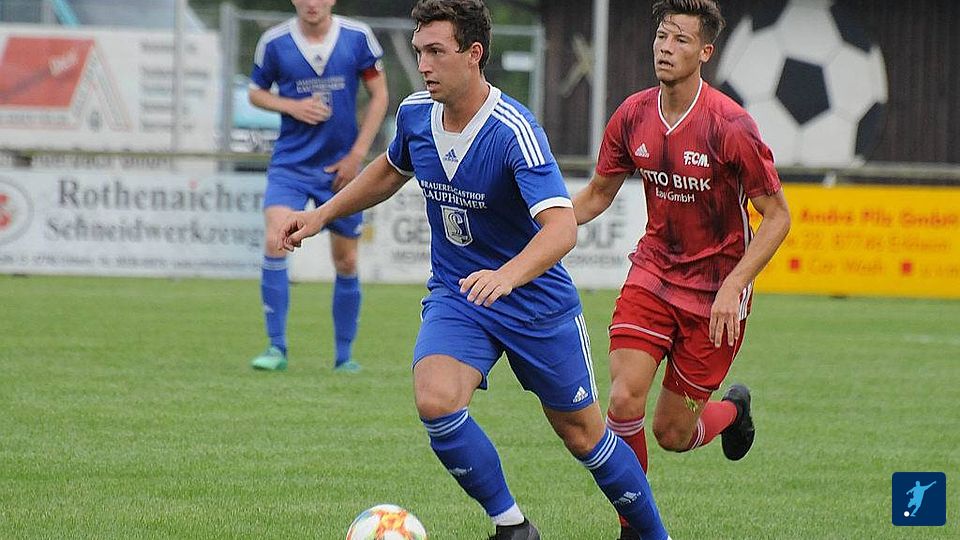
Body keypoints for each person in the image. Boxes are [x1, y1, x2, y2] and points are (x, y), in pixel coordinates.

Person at [274, 1, 670, 538]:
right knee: (436, 401)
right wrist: (321, 215)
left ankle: (655, 535)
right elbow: (390, 170)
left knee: (583, 436)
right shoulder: (416, 114)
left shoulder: (514, 130)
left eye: (436, 52)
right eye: (419, 52)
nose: (424, 65)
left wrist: (507, 276)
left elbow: (561, 229)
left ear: (474, 54)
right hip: (460, 294)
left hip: (534, 302)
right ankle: (513, 527)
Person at [572, 1, 791, 538]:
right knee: (623, 398)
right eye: (662, 36)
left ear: (705, 52)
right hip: (653, 273)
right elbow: (597, 194)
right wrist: (540, 223)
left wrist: (735, 285)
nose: (666, 48)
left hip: (715, 291)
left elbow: (778, 216)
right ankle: (635, 526)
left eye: (681, 40)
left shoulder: (730, 125)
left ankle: (733, 413)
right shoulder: (632, 115)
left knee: (672, 433)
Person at [247, 0, 388, 372]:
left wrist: (357, 155)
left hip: (341, 169)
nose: (312, 3)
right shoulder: (275, 42)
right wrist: (291, 106)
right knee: (275, 239)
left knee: (347, 260)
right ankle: (276, 348)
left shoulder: (358, 37)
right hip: (291, 165)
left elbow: (380, 96)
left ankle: (344, 357)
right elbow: (255, 92)